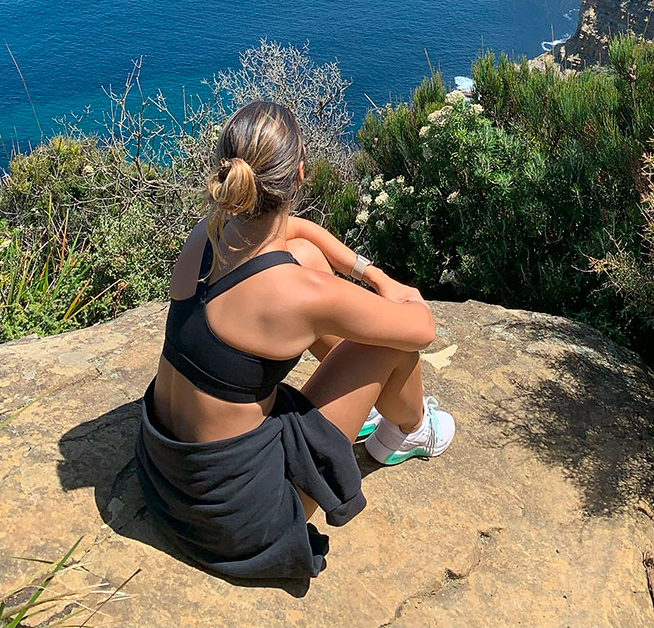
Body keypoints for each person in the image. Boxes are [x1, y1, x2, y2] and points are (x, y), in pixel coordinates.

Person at [135, 100, 455, 582]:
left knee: (303, 253)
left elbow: (296, 233)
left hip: (169, 477)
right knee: (389, 343)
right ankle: (406, 432)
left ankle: (362, 411)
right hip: (237, 519)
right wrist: (392, 289)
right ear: (300, 173)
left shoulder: (208, 233)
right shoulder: (299, 295)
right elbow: (421, 329)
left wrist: (362, 269)